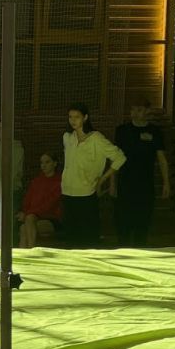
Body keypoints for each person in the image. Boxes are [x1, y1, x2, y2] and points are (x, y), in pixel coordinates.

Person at [60, 104, 125, 248]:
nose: (73, 120)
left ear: (85, 118)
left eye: (77, 117)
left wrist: (102, 180)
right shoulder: (67, 137)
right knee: (70, 239)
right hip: (67, 192)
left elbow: (119, 157)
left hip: (86, 194)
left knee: (88, 240)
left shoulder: (96, 138)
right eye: (70, 117)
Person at [113, 99, 171, 246]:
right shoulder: (122, 130)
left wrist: (166, 182)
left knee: (143, 223)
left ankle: (141, 250)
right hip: (125, 183)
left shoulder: (154, 131)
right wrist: (112, 183)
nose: (135, 113)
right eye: (133, 109)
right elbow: (115, 158)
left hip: (145, 184)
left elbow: (161, 158)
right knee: (123, 224)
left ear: (147, 111)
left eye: (139, 109)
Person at [17, 151, 63, 248]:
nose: (44, 165)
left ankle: (31, 251)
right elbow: (27, 199)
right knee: (23, 227)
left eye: (47, 162)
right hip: (33, 217)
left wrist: (27, 213)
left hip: (51, 218)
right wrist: (25, 212)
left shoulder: (59, 182)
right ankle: (26, 253)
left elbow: (49, 205)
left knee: (28, 222)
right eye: (42, 163)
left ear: (55, 163)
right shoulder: (36, 181)